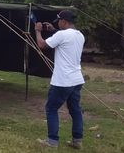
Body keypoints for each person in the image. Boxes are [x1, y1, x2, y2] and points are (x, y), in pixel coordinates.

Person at [34, 10, 85, 149]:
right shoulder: (80, 35)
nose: (58, 24)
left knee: (51, 108)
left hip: (63, 81)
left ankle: (52, 141)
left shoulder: (61, 35)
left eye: (59, 22)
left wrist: (38, 31)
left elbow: (42, 45)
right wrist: (53, 30)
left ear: (64, 21)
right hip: (76, 79)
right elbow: (64, 39)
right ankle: (77, 141)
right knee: (75, 110)